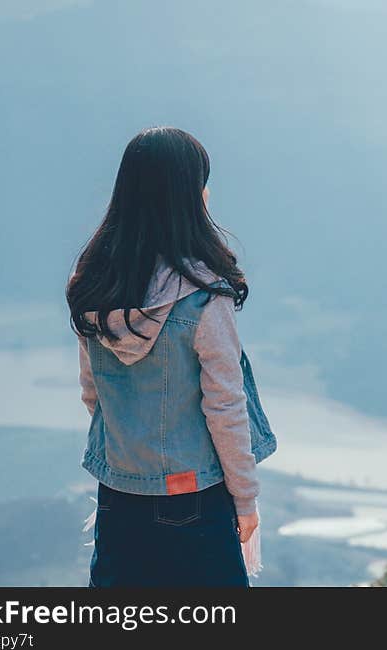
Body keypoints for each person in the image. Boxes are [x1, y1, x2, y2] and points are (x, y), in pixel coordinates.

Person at [65, 126, 277, 587]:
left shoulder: (93, 285)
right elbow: (225, 406)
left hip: (118, 491)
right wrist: (245, 499)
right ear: (189, 196)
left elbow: (93, 395)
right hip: (195, 497)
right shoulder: (204, 296)